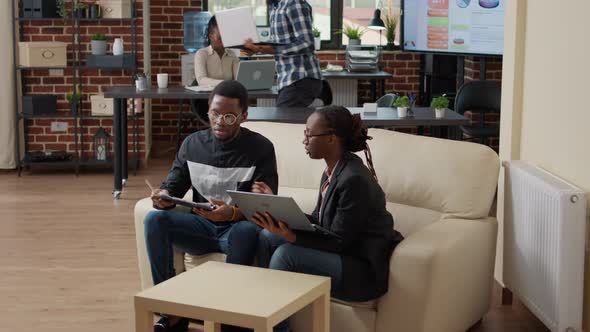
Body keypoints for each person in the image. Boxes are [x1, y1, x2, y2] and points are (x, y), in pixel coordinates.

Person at [251, 106, 403, 332]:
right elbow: (321, 221)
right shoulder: (332, 170)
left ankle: (276, 328)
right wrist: (278, 207)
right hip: (340, 253)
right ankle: (261, 313)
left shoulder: (353, 179)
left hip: (359, 268)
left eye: (309, 134)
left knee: (286, 255)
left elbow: (340, 241)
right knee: (266, 236)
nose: (304, 140)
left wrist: (292, 236)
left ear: (331, 138)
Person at [144, 80, 278, 332]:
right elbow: (172, 186)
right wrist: (162, 197)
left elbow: (268, 203)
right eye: (215, 114)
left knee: (247, 232)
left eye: (229, 116)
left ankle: (230, 320)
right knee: (154, 219)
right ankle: (170, 311)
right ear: (207, 111)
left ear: (243, 116)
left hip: (236, 229)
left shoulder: (260, 148)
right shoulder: (192, 144)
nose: (219, 121)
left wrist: (235, 213)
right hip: (200, 227)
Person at [242, 0, 323, 107]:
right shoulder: (275, 7)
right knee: (287, 121)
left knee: (280, 121)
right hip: (288, 79)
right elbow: (277, 44)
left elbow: (307, 43)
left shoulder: (294, 3)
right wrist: (257, 48)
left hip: (300, 78)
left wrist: (261, 48)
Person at [194, 16, 240, 87]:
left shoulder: (232, 54)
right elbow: (201, 80)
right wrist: (226, 83)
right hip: (208, 96)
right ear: (210, 36)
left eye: (225, 37)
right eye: (220, 38)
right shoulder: (201, 54)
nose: (224, 41)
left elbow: (239, 78)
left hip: (229, 94)